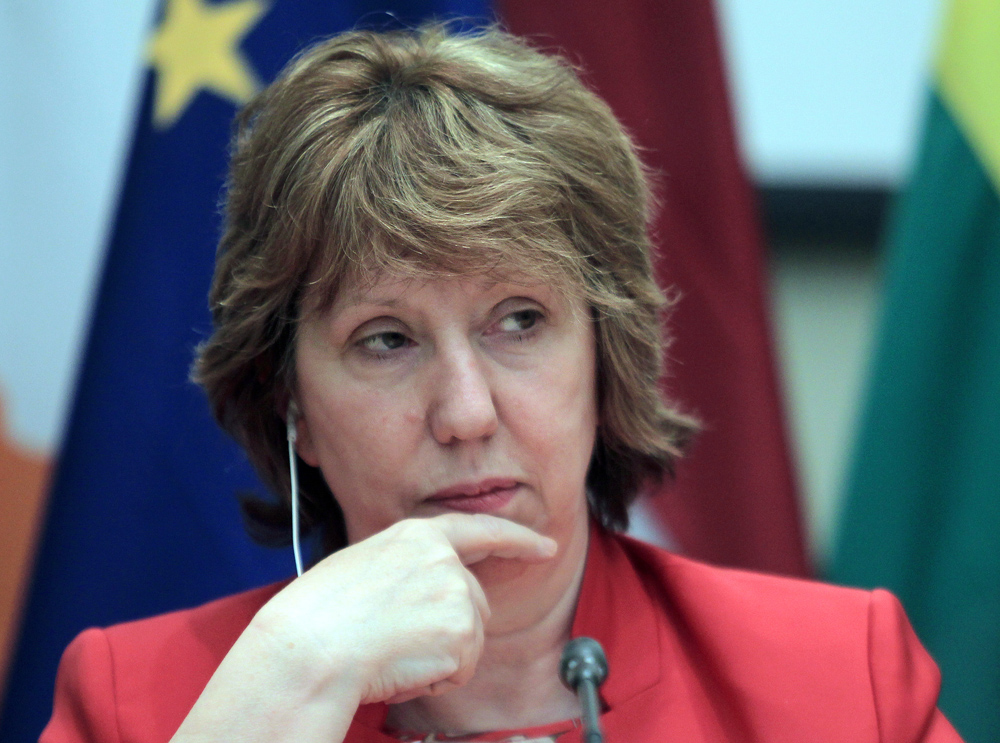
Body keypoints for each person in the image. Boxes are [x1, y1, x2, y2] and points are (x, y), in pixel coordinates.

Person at [42, 24, 962, 743]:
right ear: (292, 405)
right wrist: (294, 674)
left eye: (519, 321)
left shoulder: (839, 681)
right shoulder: (141, 702)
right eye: (386, 339)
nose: (466, 412)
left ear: (604, 355)